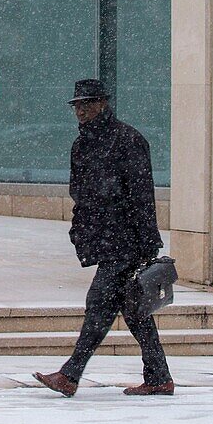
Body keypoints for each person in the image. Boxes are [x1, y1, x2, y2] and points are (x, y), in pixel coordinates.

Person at [33, 78, 174, 397]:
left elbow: (142, 195)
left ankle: (70, 374)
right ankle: (159, 377)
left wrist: (148, 241)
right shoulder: (81, 145)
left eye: (87, 103)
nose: (81, 110)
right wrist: (78, 226)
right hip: (105, 238)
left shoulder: (128, 140)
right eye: (77, 105)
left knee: (99, 303)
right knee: (135, 312)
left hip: (126, 241)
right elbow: (79, 192)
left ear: (102, 104)